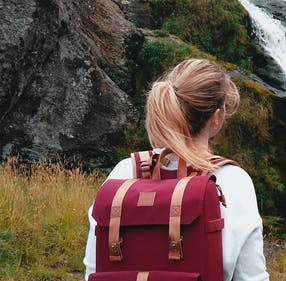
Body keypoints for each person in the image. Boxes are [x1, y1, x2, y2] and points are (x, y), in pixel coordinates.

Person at [83, 59, 269, 281]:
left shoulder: (123, 173)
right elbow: (252, 277)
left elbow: (94, 271)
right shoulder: (233, 181)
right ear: (216, 117)